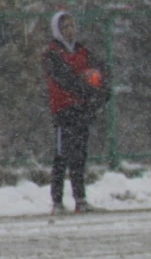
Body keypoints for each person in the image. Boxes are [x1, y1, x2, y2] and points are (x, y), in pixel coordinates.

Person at [43, 11, 110, 215]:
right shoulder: (52, 53)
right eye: (65, 27)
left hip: (81, 109)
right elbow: (64, 79)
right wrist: (86, 86)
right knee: (62, 155)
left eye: (72, 26)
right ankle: (57, 201)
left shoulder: (81, 50)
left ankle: (80, 199)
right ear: (58, 30)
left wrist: (98, 91)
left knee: (79, 155)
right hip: (64, 110)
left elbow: (101, 71)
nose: (70, 31)